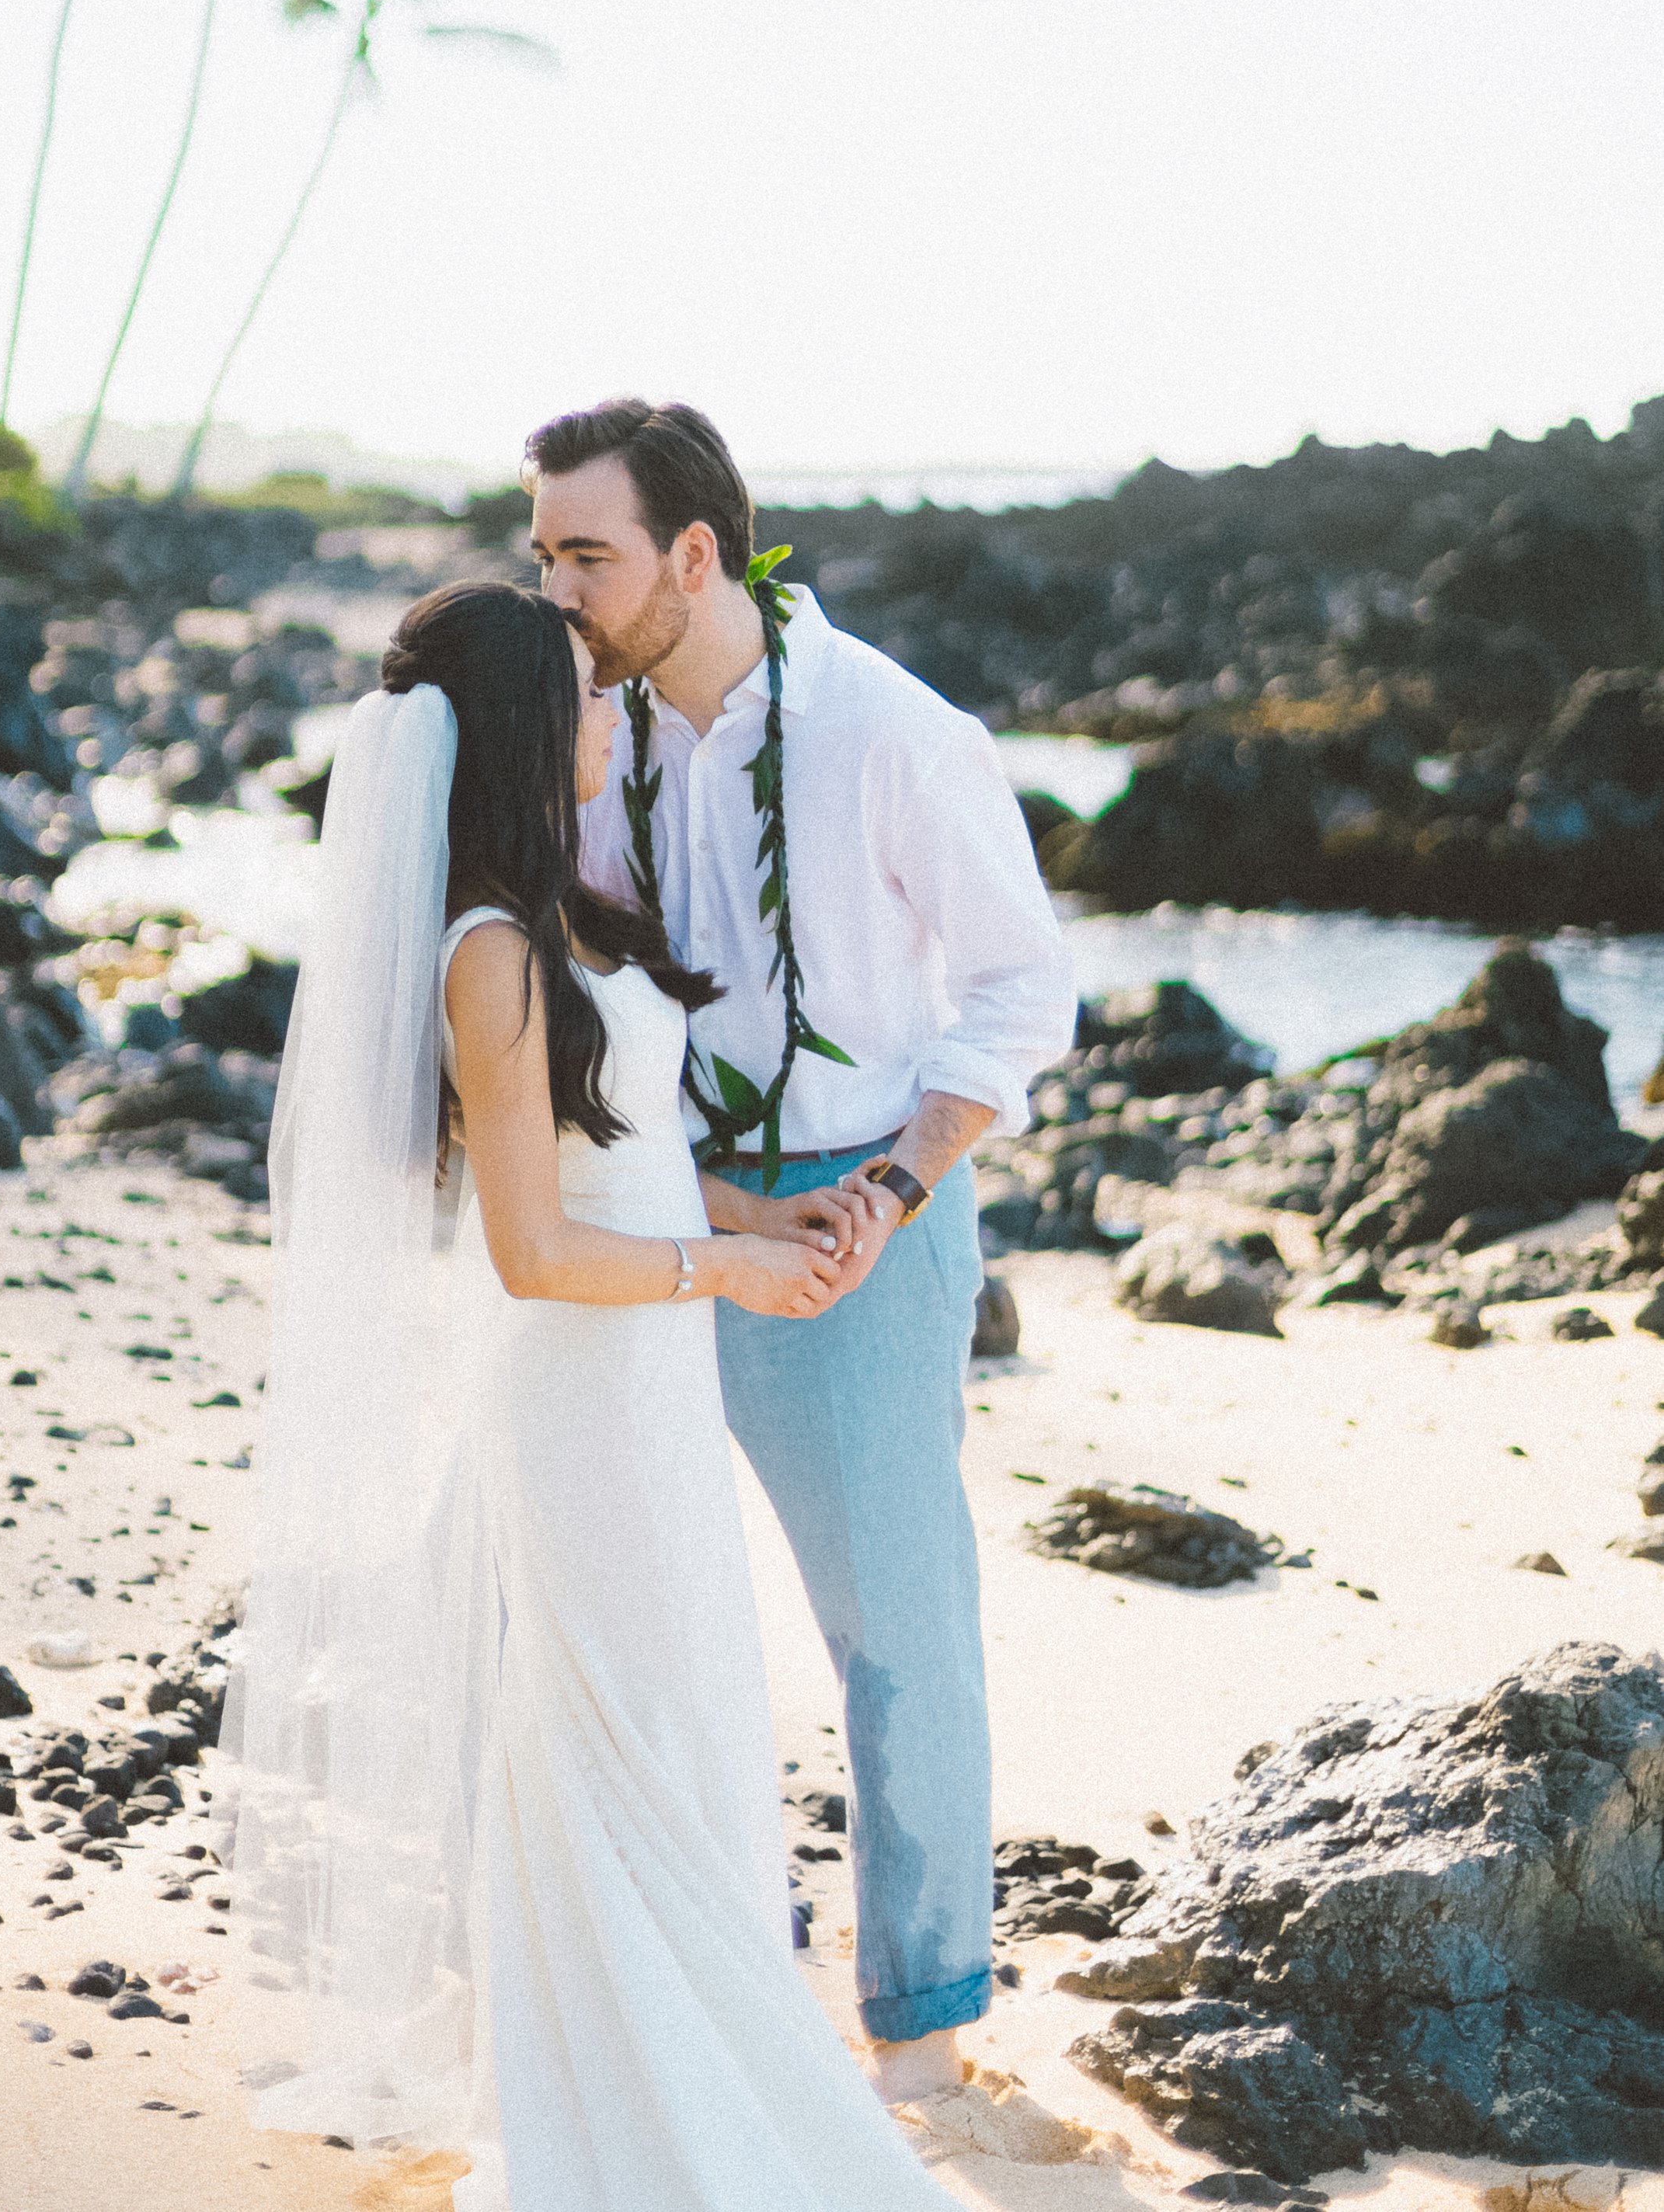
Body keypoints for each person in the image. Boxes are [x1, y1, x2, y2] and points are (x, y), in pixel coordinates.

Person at [228, 579, 953, 2211]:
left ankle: (690, 2071)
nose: (614, 716)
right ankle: (630, 2120)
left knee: (687, 1718)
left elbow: (630, 1162)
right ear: (513, 734)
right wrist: (730, 1276)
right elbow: (531, 1251)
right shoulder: (486, 955)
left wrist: (774, 1218)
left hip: (648, 1379)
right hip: (575, 1390)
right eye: (586, 696)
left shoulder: (565, 914)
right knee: (612, 1735)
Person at [527, 398, 1077, 2105]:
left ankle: (920, 2017)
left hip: (856, 1213)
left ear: (692, 557)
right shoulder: (606, 732)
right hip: (658, 1210)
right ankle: (697, 1971)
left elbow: (1017, 989)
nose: (554, 587)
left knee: (893, 1626)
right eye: (538, 551)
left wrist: (891, 1194)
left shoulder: (892, 734)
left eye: (584, 555)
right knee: (640, 1604)